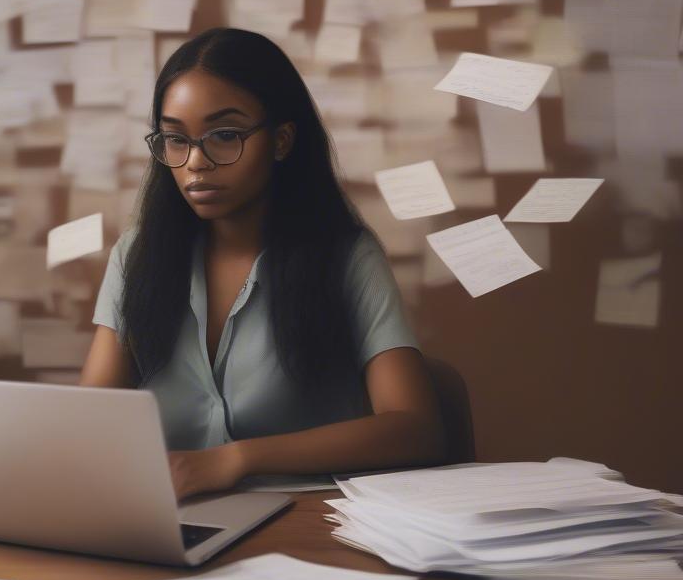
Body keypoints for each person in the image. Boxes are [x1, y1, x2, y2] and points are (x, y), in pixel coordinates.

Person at [81, 27, 446, 500]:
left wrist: (238, 458)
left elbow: (417, 429)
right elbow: (88, 421)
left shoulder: (346, 257)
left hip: (309, 527)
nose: (196, 162)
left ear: (281, 140)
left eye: (225, 135)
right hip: (173, 522)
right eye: (175, 139)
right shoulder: (137, 256)